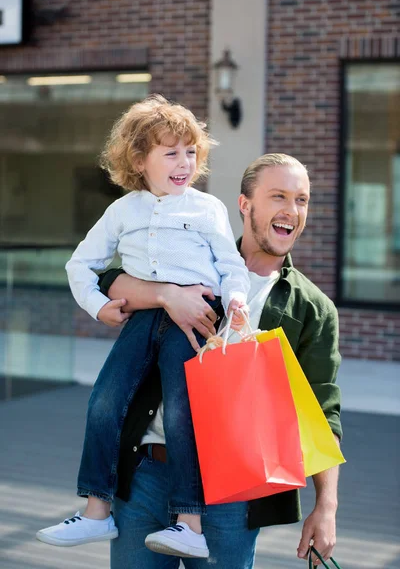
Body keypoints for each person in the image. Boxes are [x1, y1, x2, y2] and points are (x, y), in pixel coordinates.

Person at [100, 153, 343, 569]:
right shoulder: (192, 259)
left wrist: (327, 507)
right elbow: (108, 279)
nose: (292, 210)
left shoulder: (312, 308)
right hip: (148, 474)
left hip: (233, 494)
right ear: (245, 204)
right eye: (278, 196)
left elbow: (322, 414)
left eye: (301, 200)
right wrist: (166, 295)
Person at [35, 95, 250, 558]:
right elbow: (80, 265)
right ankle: (96, 513)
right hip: (143, 318)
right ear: (138, 158)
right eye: (170, 152)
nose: (183, 162)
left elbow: (232, 264)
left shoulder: (206, 208)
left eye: (190, 151)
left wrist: (235, 301)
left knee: (181, 413)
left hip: (194, 317)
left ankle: (189, 523)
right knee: (104, 402)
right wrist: (97, 306)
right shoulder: (122, 211)